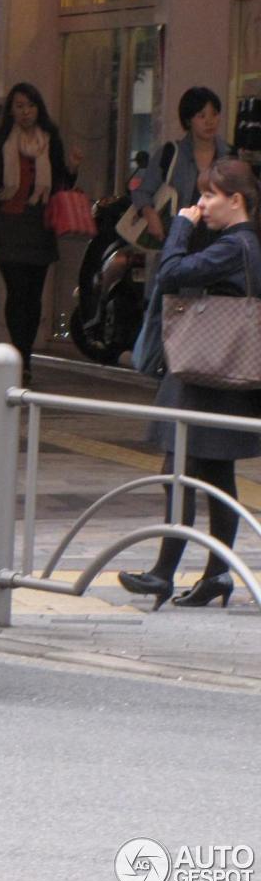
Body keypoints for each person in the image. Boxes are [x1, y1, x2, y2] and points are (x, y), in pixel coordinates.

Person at [119, 158, 261, 610]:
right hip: (222, 372)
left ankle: (165, 574)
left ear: (235, 200)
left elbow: (172, 274)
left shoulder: (234, 246)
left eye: (208, 196)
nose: (200, 204)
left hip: (209, 371)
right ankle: (214, 575)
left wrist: (180, 226)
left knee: (177, 472)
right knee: (213, 474)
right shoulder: (243, 245)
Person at [0, 83, 82, 386]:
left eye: (30, 105)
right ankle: (20, 356)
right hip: (10, 222)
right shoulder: (2, 140)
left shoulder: (50, 140)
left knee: (33, 295)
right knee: (16, 293)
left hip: (40, 223)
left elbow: (61, 183)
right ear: (11, 110)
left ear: (38, 108)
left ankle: (25, 356)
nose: (25, 111)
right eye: (19, 106)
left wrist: (73, 168)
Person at [131, 86, 232, 250]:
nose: (210, 121)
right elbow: (142, 192)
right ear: (188, 120)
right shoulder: (170, 154)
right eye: (201, 116)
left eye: (214, 114)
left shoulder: (229, 156)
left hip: (220, 245)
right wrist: (151, 215)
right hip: (178, 243)